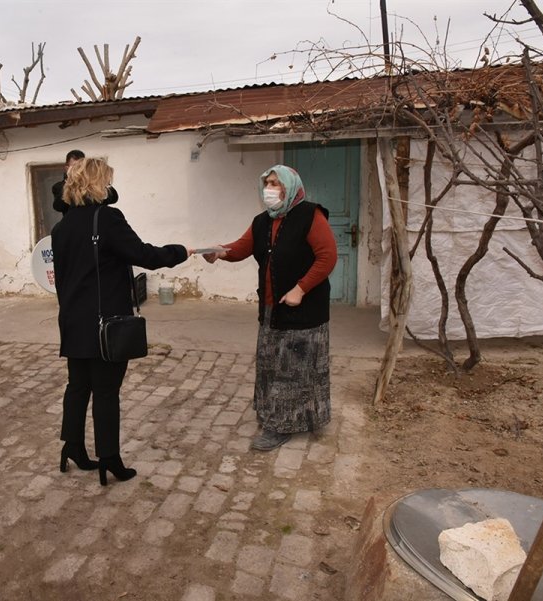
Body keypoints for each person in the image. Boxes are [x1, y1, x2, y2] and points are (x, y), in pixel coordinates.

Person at [51, 157, 192, 485]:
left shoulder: (61, 227)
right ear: (99, 183)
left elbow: (62, 279)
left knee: (78, 386)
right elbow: (144, 255)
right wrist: (181, 251)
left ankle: (71, 446)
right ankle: (109, 458)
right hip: (105, 323)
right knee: (105, 391)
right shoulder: (108, 219)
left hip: (73, 319)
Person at [203, 164, 337, 451]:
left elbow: (327, 257)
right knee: (271, 365)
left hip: (304, 310)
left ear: (291, 187)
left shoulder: (310, 216)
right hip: (271, 308)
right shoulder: (262, 221)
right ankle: (275, 414)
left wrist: (300, 289)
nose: (270, 189)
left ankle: (282, 426)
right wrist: (219, 252)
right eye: (268, 183)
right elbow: (241, 248)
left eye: (276, 183)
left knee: (297, 368)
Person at [52, 149, 118, 214]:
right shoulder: (59, 186)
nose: (78, 169)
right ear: (67, 168)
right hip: (75, 221)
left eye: (80, 166)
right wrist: (70, 181)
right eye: (74, 166)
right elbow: (59, 207)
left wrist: (101, 181)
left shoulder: (93, 183)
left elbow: (113, 198)